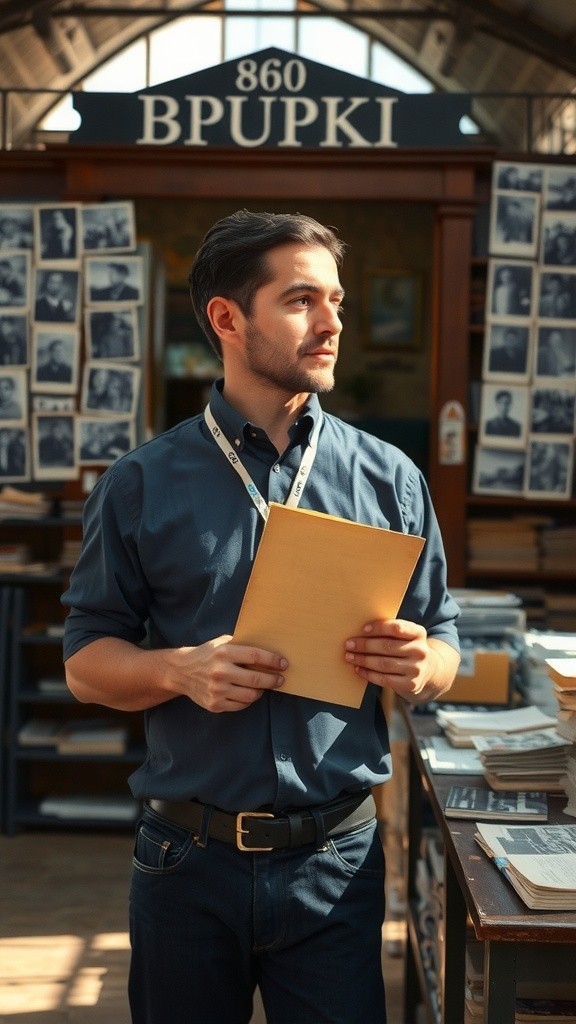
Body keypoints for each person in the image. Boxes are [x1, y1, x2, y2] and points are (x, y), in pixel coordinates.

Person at [61, 210, 460, 1024]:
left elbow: (445, 641)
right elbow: (84, 663)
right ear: (227, 319)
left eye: (337, 302)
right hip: (185, 864)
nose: (332, 324)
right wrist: (179, 668)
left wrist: (425, 666)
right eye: (302, 300)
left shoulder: (391, 480)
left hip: (338, 864)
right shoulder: (139, 484)